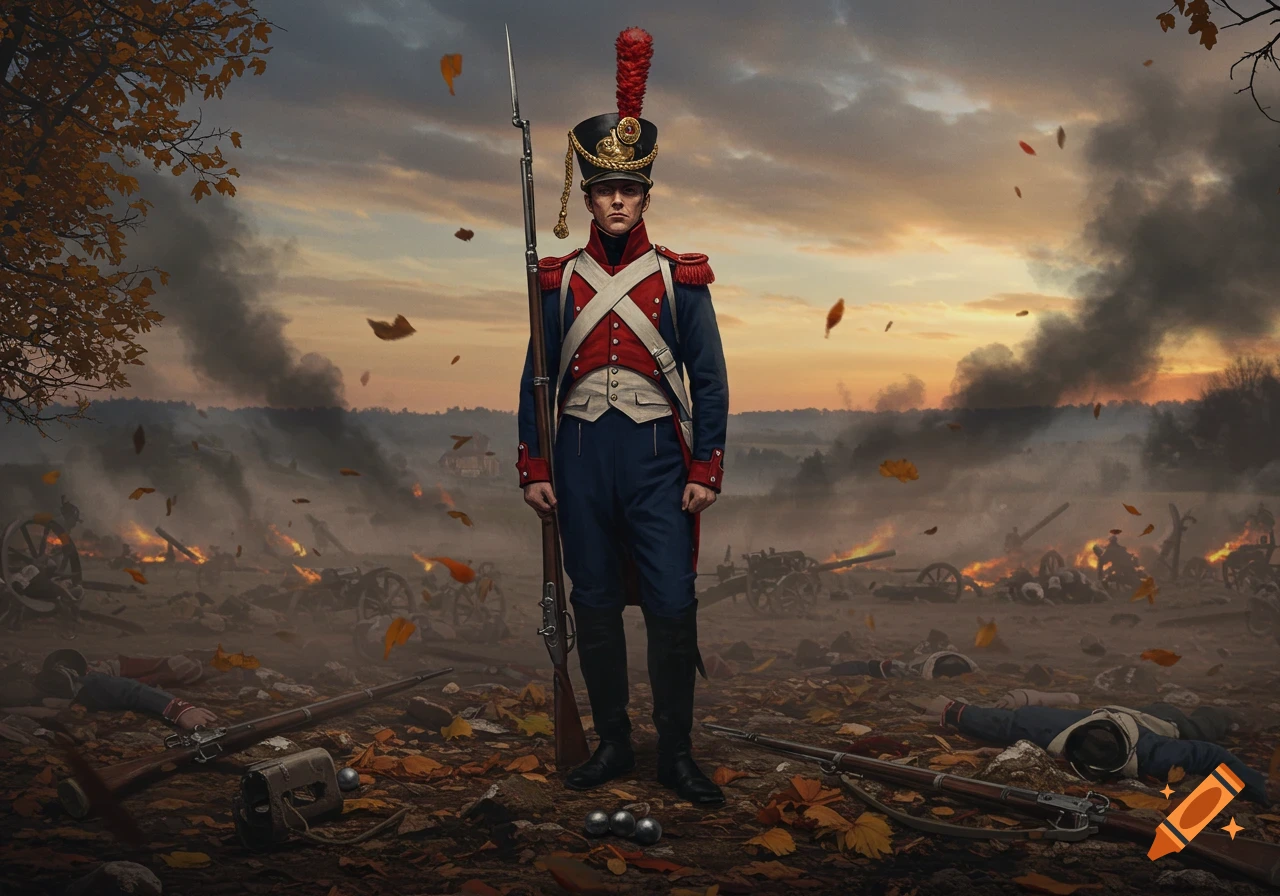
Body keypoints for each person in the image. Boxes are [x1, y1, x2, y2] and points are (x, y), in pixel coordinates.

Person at [516, 27, 728, 805]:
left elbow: (709, 379)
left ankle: (676, 754)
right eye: (604, 189)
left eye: (628, 191)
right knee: (595, 605)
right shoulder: (556, 281)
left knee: (673, 605)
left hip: (654, 461)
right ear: (589, 193)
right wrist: (534, 465)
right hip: (577, 459)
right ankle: (612, 744)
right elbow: (535, 378)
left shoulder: (681, 280)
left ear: (644, 195)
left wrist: (706, 467)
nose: (615, 201)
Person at [936, 697, 1273, 804]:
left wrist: (1260, 790)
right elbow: (1000, 722)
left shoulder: (1157, 752)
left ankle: (1227, 714)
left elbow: (1212, 754)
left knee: (1202, 724)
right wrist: (954, 711)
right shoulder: (1045, 725)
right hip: (1122, 711)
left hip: (1162, 722)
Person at [0, 649, 215, 730]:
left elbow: (129, 689)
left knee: (182, 666)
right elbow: (131, 690)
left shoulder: (88, 684)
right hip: (95, 677)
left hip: (102, 672)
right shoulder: (80, 691)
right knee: (178, 668)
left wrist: (181, 710)